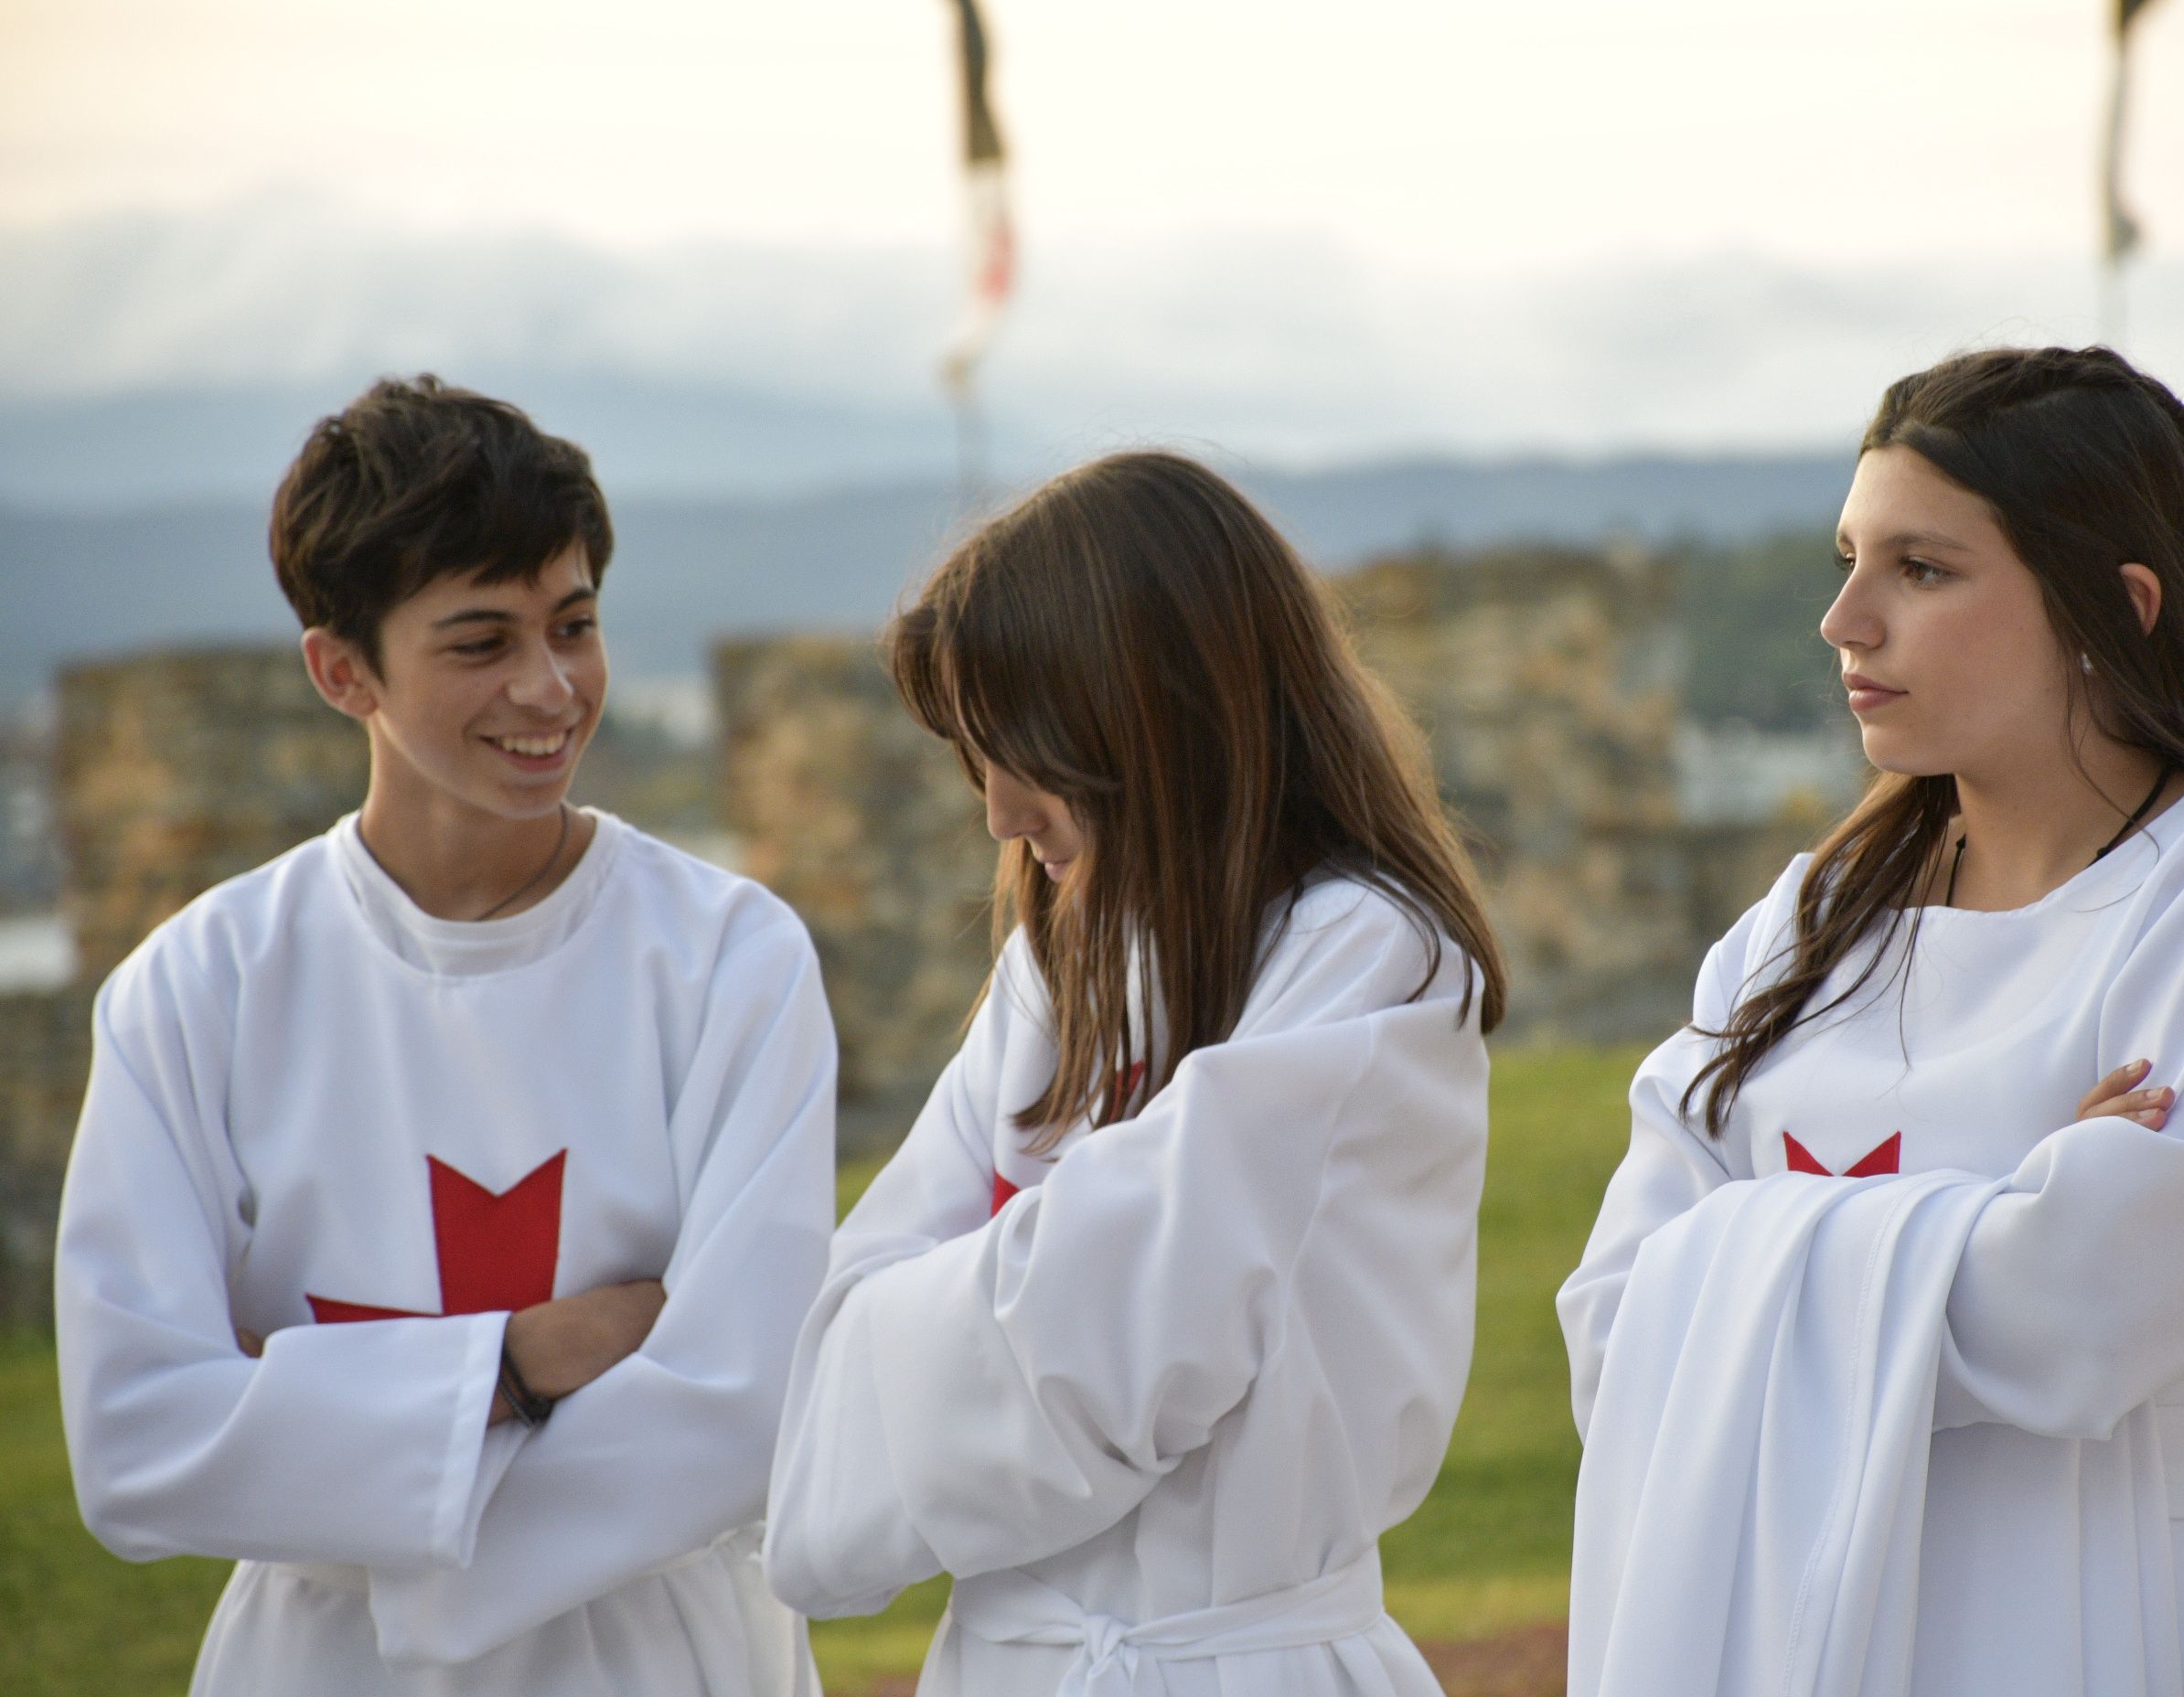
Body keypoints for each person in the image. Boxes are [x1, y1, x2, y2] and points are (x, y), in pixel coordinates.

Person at [1558, 347, 2184, 1697]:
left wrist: (1760, 1254)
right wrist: (2006, 1193)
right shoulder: (1809, 924)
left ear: (2115, 606)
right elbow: (1614, 1328)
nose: (1845, 619)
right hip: (1806, 1613)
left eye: (1922, 569)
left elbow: (2091, 1306)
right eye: (1849, 559)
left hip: (2161, 1610)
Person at [54, 376, 835, 1695]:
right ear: (340, 668)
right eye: (481, 643)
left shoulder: (726, 957)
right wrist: (516, 1366)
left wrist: (330, 1445)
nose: (549, 688)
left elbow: (743, 1402)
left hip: (661, 1657)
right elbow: (134, 1437)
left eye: (573, 625)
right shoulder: (199, 990)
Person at [763, 450, 1504, 1696]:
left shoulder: (1368, 956)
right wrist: (1051, 1273)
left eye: (1024, 752)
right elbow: (834, 1348)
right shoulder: (1055, 973)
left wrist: (982, 1311)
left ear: (1153, 722)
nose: (997, 812)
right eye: (973, 757)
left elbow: (1127, 1345)